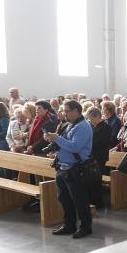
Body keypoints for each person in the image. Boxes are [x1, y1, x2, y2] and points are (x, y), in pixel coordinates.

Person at [44, 100, 94, 238]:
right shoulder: (70, 124)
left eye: (67, 111)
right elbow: (63, 143)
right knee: (64, 198)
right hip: (63, 167)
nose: (64, 113)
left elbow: (74, 147)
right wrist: (51, 139)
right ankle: (69, 225)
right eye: (64, 111)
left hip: (76, 169)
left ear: (76, 111)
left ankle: (86, 227)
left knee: (79, 200)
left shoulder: (83, 126)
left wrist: (57, 138)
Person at [86, 107, 112, 180]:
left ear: (97, 116)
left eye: (91, 118)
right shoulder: (92, 127)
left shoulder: (106, 127)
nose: (90, 121)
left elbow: (101, 142)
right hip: (92, 157)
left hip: (99, 157)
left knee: (97, 178)